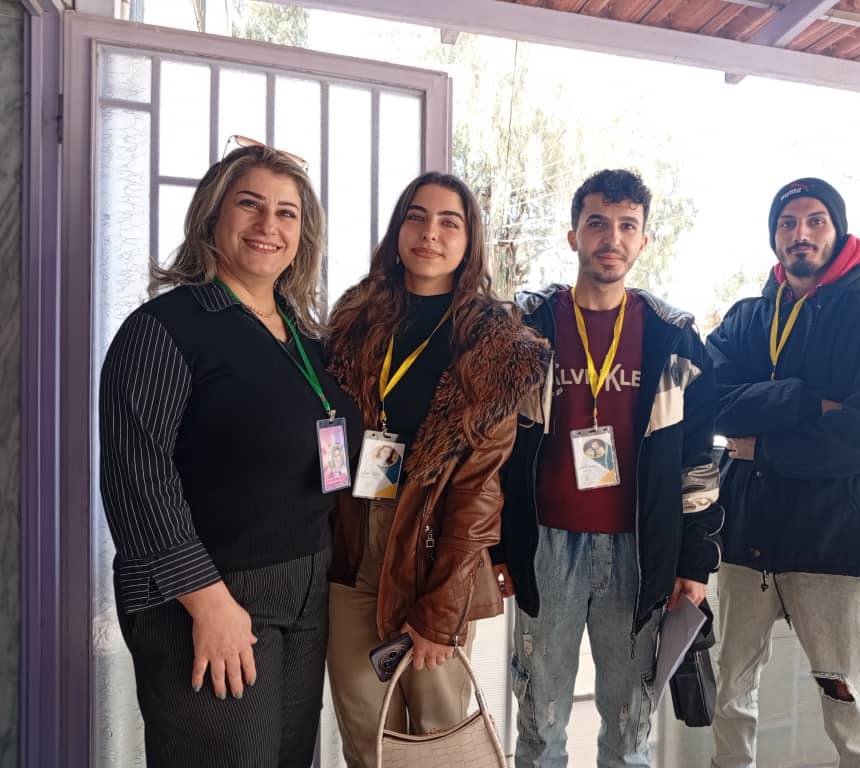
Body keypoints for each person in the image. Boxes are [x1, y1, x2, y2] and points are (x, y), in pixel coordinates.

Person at [99, 139, 363, 767]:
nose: (268, 224)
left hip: (305, 589)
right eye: (250, 205)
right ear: (211, 217)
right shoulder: (165, 328)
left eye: (286, 212)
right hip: (211, 591)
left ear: (303, 235)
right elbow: (138, 480)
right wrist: (208, 602)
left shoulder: (306, 338)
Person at [499, 169, 724, 767]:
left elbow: (698, 461)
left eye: (628, 226)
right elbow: (494, 447)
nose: (612, 238)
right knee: (539, 724)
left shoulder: (674, 338)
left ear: (644, 241)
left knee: (629, 729)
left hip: (640, 552)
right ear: (573, 234)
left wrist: (694, 561)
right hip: (545, 547)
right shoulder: (528, 327)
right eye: (597, 222)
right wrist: (496, 546)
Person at [324, 171, 548, 768]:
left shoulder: (493, 342)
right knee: (366, 737)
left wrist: (442, 609)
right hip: (354, 541)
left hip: (434, 549)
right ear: (398, 229)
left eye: (450, 222)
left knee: (438, 738)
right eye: (416, 217)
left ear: (469, 240)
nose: (430, 233)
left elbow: (479, 491)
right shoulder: (354, 320)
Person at [706, 178, 860, 768]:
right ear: (774, 235)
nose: (800, 233)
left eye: (815, 220)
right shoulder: (746, 319)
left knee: (850, 708)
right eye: (787, 222)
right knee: (730, 696)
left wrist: (763, 447)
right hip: (746, 539)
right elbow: (707, 399)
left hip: (837, 544)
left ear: (838, 229)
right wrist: (806, 400)